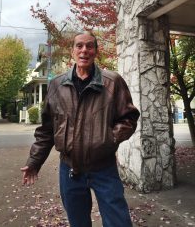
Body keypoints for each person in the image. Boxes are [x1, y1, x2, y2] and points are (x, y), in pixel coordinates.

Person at [21, 31, 140, 227]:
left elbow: (129, 117)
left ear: (96, 51)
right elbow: (47, 129)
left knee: (118, 222)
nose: (84, 50)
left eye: (89, 46)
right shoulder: (56, 85)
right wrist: (35, 161)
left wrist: (108, 138)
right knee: (78, 223)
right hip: (69, 169)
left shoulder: (112, 82)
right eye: (79, 46)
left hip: (104, 168)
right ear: (72, 52)